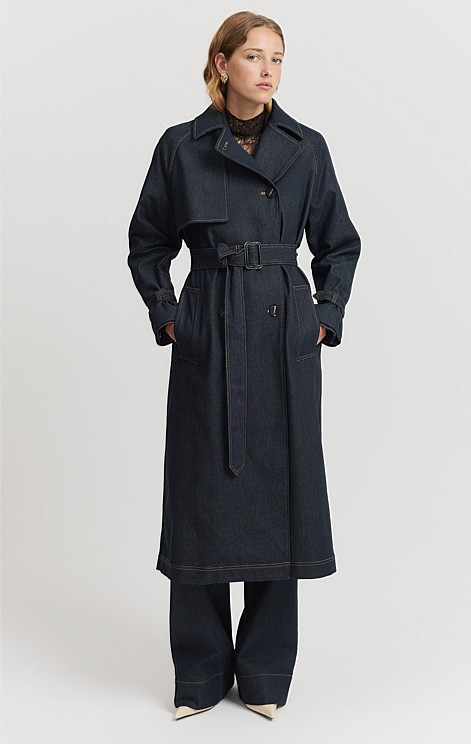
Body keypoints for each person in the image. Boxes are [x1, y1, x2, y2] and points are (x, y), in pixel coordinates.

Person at [127, 10, 361, 721]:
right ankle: (199, 676)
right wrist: (171, 314)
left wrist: (323, 316)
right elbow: (147, 241)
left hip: (282, 332)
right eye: (254, 56)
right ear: (222, 63)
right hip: (210, 325)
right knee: (200, 494)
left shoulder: (306, 147)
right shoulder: (181, 146)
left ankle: (263, 676)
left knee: (279, 496)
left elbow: (339, 243)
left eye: (278, 59)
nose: (268, 70)